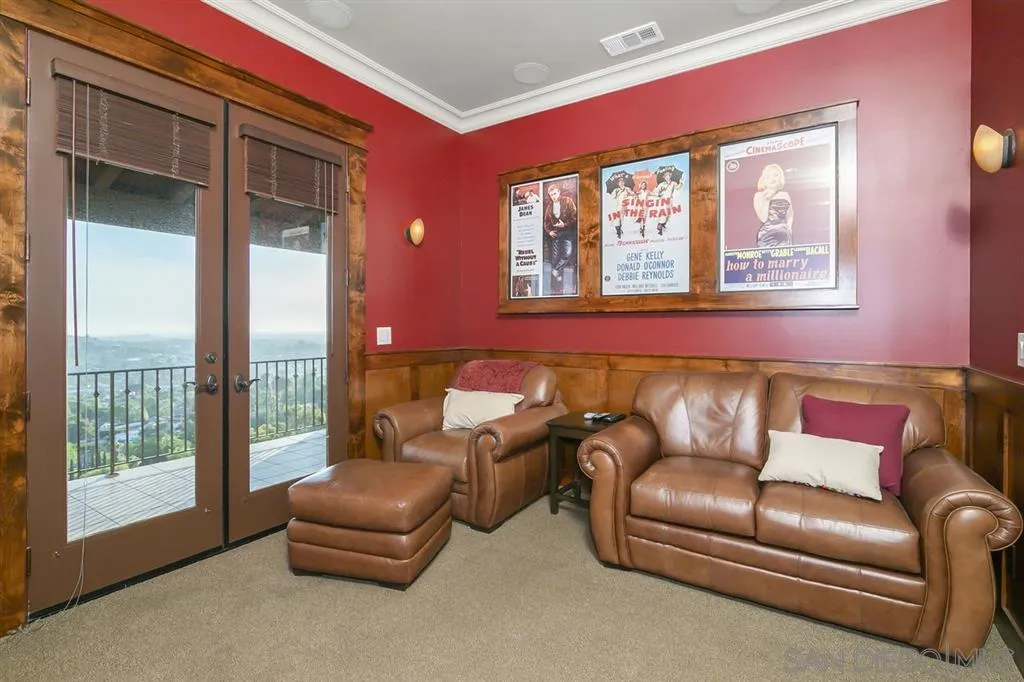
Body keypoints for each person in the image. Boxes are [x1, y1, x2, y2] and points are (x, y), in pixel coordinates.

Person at [543, 182, 578, 294]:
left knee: (567, 254)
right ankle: (556, 289)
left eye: (554, 193)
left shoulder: (568, 201)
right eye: (551, 195)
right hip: (556, 235)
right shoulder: (549, 206)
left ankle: (555, 271)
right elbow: (546, 222)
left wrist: (565, 224)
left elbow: (575, 216)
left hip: (567, 232)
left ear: (559, 192)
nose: (553, 196)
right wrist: (549, 232)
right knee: (554, 259)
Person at [753, 163, 794, 247]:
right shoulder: (759, 196)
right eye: (768, 176)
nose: (772, 178)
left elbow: (790, 214)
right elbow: (763, 218)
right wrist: (768, 198)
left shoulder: (785, 194)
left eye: (776, 175)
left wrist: (789, 227)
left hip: (784, 236)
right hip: (767, 236)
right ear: (764, 179)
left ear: (780, 178)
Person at [653, 170, 681, 236]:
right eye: (665, 176)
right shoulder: (661, 184)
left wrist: (681, 182)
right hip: (663, 200)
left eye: (668, 175)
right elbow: (656, 191)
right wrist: (659, 194)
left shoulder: (673, 183)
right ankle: (659, 224)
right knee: (663, 212)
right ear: (664, 177)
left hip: (670, 199)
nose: (667, 177)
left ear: (670, 176)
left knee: (669, 213)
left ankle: (663, 224)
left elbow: (677, 188)